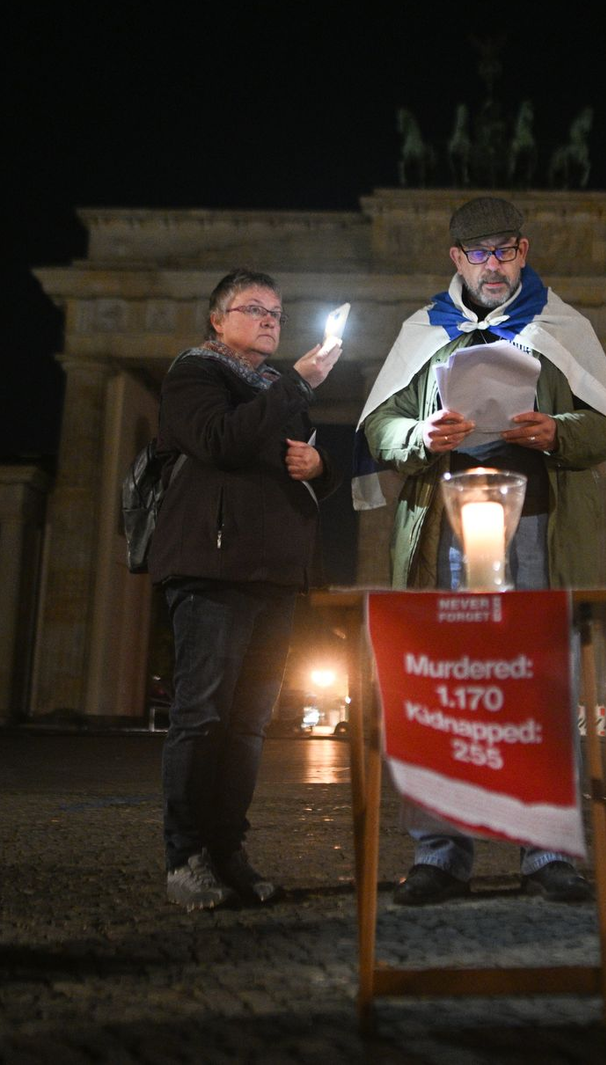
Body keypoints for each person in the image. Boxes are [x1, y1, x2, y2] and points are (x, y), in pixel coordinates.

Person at [355, 196, 606, 904]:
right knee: (445, 691)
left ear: (525, 250)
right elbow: (380, 423)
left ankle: (546, 851)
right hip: (441, 533)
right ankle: (441, 852)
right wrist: (420, 436)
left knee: (540, 683)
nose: (492, 265)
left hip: (537, 527)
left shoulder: (562, 327)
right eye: (477, 253)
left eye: (505, 250)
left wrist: (557, 431)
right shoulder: (422, 331)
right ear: (455, 259)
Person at [150, 269, 343, 909]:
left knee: (249, 724)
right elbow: (220, 443)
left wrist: (321, 466)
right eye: (254, 309)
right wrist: (296, 383)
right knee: (202, 716)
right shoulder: (195, 375)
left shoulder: (275, 389)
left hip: (274, 572)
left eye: (278, 313)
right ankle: (187, 858)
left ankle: (229, 852)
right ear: (217, 319)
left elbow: (295, 467)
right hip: (211, 564)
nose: (269, 320)